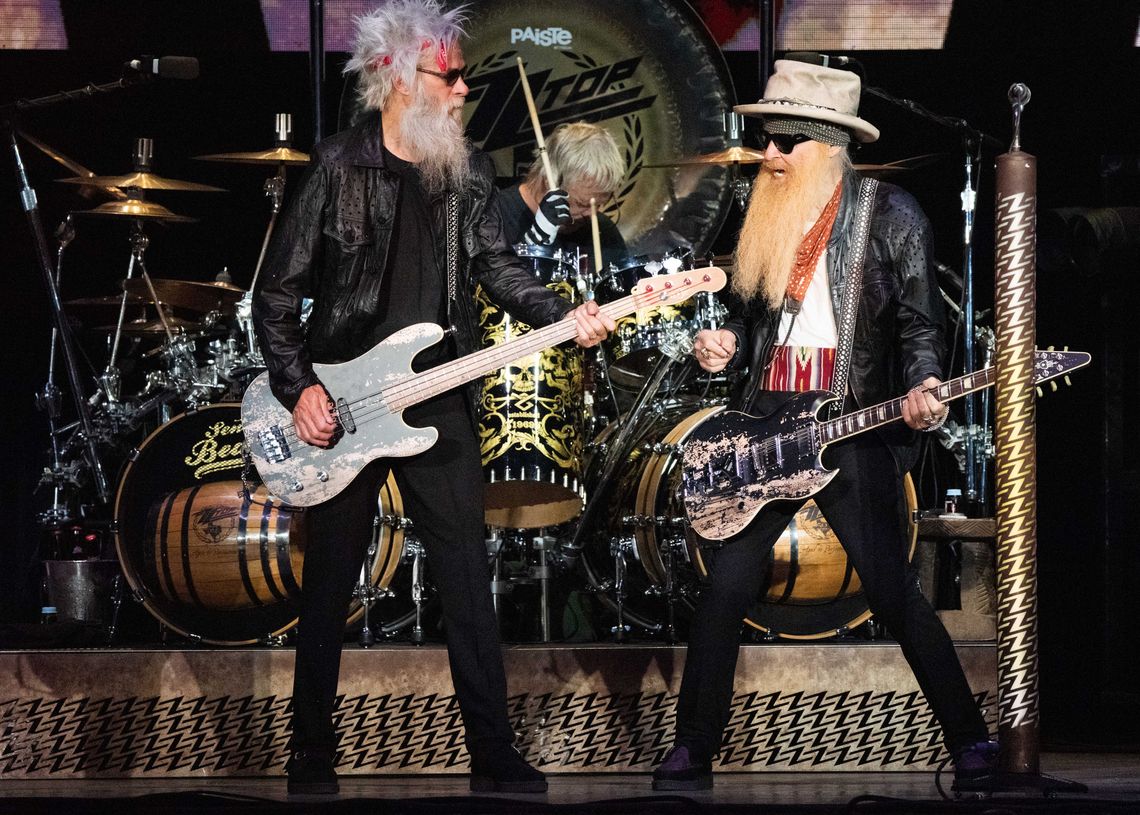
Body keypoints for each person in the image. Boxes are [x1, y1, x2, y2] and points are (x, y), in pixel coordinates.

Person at [252, 0, 614, 796]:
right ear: (397, 77)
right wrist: (300, 387)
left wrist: (564, 314)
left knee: (466, 578)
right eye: (448, 76)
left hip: (436, 392)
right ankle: (310, 749)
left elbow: (496, 266)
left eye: (462, 78)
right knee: (330, 582)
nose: (462, 90)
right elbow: (275, 295)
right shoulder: (338, 165)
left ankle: (492, 751)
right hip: (344, 401)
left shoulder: (466, 170)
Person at [651, 58, 997, 791]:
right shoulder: (766, 209)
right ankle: (692, 748)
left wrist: (924, 385)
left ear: (827, 145)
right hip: (765, 424)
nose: (769, 155)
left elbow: (919, 323)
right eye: (767, 140)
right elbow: (749, 316)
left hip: (850, 422)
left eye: (786, 143)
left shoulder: (891, 214)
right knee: (725, 588)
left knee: (892, 589)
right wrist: (725, 342)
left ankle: (971, 743)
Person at [496, 120, 629, 277]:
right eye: (582, 204)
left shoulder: (604, 232)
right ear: (549, 182)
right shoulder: (494, 218)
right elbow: (498, 283)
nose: (592, 214)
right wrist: (538, 236)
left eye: (599, 204)